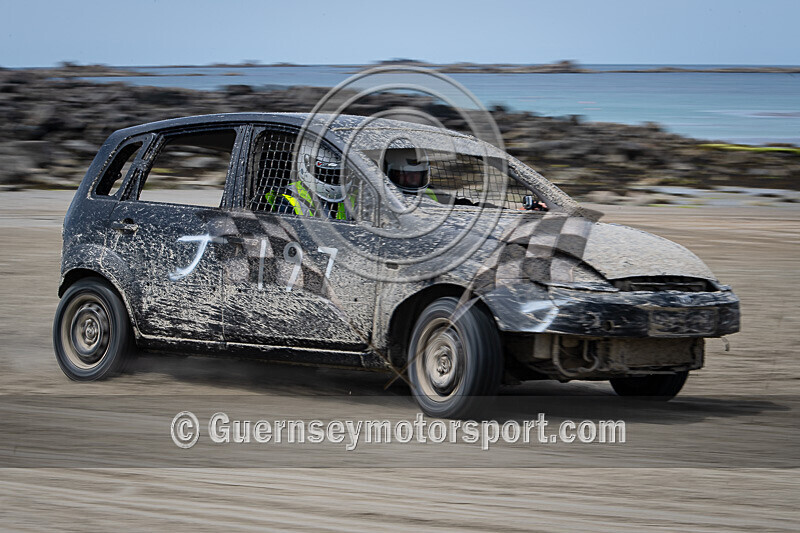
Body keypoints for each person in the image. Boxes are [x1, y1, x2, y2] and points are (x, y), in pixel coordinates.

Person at [265, 139, 353, 220]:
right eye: (326, 173)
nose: (334, 179)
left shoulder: (349, 197)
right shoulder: (289, 199)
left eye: (339, 173)